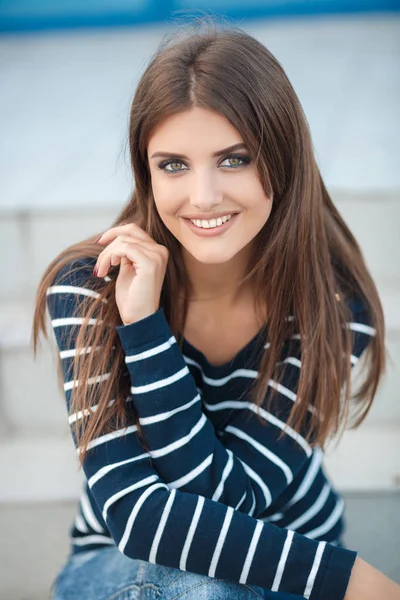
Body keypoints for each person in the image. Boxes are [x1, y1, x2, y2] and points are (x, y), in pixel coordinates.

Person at [32, 20, 400, 600]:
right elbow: (137, 517)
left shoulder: (331, 303)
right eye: (173, 165)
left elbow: (235, 500)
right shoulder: (90, 287)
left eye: (235, 160)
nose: (203, 196)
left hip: (287, 547)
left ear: (282, 160)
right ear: (145, 172)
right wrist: (144, 326)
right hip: (124, 564)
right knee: (198, 586)